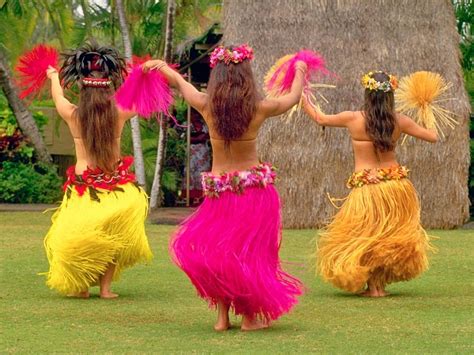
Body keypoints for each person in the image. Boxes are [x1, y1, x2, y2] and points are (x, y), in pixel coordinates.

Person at [143, 44, 307, 331]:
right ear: (247, 76)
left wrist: (161, 67)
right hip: (254, 194)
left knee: (220, 254)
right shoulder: (260, 107)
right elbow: (292, 99)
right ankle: (249, 318)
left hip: (219, 195)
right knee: (250, 255)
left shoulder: (206, 104)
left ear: (216, 75)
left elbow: (181, 84)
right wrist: (301, 73)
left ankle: (222, 318)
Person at [303, 70, 437, 297]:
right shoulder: (400, 121)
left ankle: (373, 288)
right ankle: (378, 286)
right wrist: (427, 109)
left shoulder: (353, 118)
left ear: (367, 94)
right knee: (386, 235)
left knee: (366, 234)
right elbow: (432, 136)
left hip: (367, 188)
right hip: (395, 186)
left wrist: (303, 98)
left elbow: (320, 118)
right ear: (391, 96)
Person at [43, 41, 152, 299]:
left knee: (81, 236)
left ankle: (81, 286)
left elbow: (58, 98)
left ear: (83, 91)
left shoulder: (73, 114)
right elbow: (139, 98)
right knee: (112, 237)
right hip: (116, 189)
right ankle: (105, 289)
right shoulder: (120, 112)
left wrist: (53, 77)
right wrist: (141, 77)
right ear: (108, 91)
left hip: (84, 188)